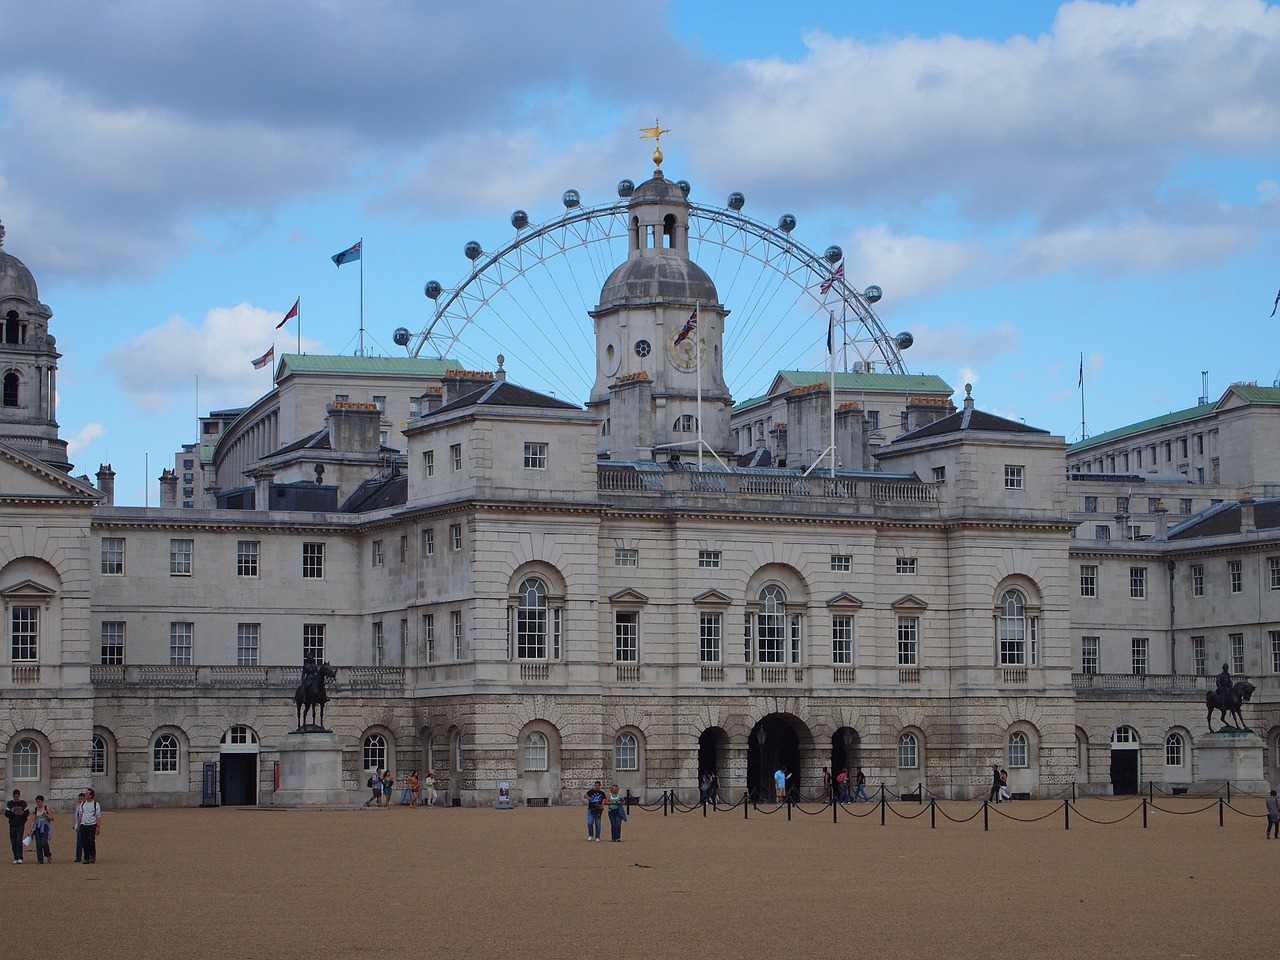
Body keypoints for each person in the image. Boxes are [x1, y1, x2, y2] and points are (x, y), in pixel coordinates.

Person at [76, 789, 101, 864]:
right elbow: (80, 815)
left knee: (90, 840)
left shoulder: (96, 804)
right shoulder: (82, 804)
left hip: (92, 825)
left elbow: (98, 816)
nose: (85, 794)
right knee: (84, 841)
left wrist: (98, 826)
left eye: (87, 793)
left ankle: (92, 854)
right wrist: (78, 825)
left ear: (91, 795)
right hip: (84, 825)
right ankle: (86, 857)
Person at [5, 789, 28, 864]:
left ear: (19, 796)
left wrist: (22, 813)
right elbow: (6, 814)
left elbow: (27, 813)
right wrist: (11, 811)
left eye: (17, 796)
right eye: (14, 796)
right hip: (12, 825)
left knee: (18, 840)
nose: (15, 798)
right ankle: (15, 857)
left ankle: (20, 857)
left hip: (20, 824)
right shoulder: (10, 804)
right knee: (13, 842)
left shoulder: (23, 803)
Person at [29, 795, 54, 864]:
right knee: (38, 844)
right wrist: (30, 830)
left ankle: (48, 854)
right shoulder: (35, 809)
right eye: (37, 802)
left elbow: (52, 818)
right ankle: (40, 859)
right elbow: (33, 820)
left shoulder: (46, 808)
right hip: (37, 827)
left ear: (42, 802)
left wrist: (47, 815)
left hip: (45, 827)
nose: (38, 803)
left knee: (43, 842)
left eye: (39, 802)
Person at [72, 791, 85, 862]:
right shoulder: (77, 806)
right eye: (79, 799)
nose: (80, 800)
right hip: (78, 826)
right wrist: (75, 825)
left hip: (84, 825)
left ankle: (87, 855)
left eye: (81, 799)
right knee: (79, 842)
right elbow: (76, 817)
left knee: (85, 841)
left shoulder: (85, 806)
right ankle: (78, 857)